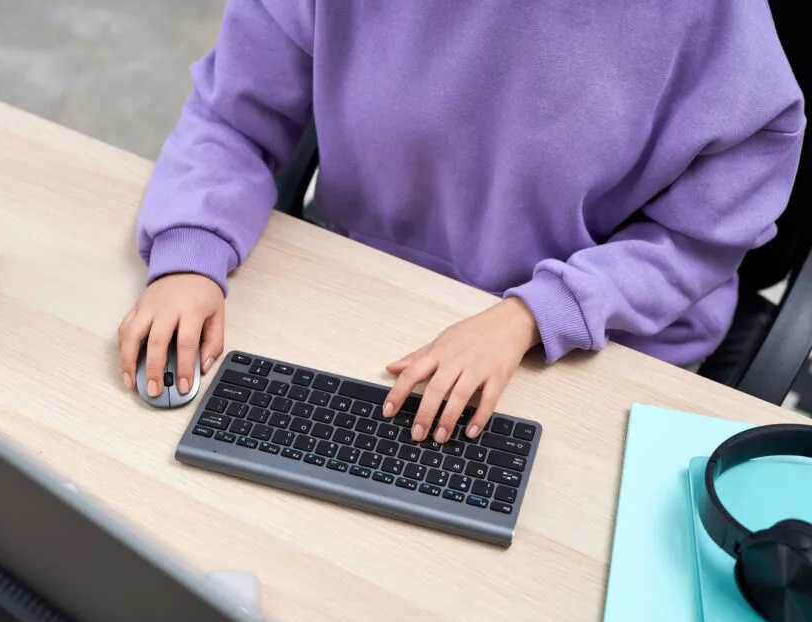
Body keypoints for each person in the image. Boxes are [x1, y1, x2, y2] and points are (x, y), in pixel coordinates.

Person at [119, 1, 804, 445]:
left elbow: (698, 239)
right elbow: (233, 115)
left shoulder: (713, 23)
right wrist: (190, 251)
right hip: (376, 293)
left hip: (592, 344)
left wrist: (532, 316)